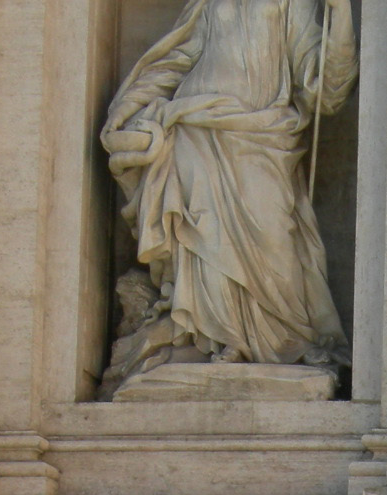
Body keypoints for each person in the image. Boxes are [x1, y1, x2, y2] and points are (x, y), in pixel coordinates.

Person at [100, 0, 357, 390]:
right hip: (195, 132)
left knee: (274, 239)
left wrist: (339, 15)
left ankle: (276, 342)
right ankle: (213, 339)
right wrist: (127, 108)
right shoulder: (209, 3)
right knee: (204, 236)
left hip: (263, 135)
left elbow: (324, 87)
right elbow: (175, 61)